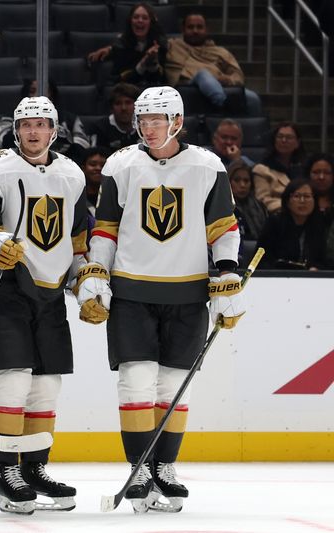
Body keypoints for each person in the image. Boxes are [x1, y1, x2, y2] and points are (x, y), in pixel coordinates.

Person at [77, 86, 243, 513]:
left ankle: (164, 466)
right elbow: (106, 228)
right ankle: (139, 467)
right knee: (135, 379)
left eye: (157, 119)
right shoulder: (121, 163)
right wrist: (96, 272)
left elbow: (223, 226)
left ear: (178, 121)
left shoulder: (207, 165)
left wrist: (227, 273)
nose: (148, 128)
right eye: (143, 120)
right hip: (132, 290)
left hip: (188, 292)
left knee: (173, 385)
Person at [0, 96, 88, 515]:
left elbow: (77, 240)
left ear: (55, 130)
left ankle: (34, 466)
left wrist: (85, 280)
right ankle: (7, 470)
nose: (33, 132)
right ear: (15, 130)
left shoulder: (71, 174)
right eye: (26, 124)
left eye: (42, 124)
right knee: (14, 378)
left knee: (47, 384)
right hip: (4, 285)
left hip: (50, 292)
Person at [165, 13, 261, 116]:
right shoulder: (172, 46)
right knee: (203, 75)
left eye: (200, 27)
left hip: (219, 86)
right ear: (183, 29)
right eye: (190, 27)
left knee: (253, 98)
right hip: (187, 85)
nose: (195, 31)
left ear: (207, 30)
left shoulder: (220, 52)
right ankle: (225, 107)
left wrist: (227, 79)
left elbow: (238, 76)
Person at [0, 79, 90, 164]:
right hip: (18, 162)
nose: (38, 94)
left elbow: (82, 146)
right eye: (33, 91)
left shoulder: (69, 118)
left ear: (52, 93)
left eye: (44, 90)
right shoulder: (11, 116)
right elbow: (2, 141)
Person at [257, 179, 328, 270]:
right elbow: (261, 260)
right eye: (297, 196)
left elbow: (324, 261)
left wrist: (317, 269)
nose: (302, 201)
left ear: (315, 201)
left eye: (307, 196)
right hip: (278, 277)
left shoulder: (320, 225)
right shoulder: (274, 223)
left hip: (311, 279)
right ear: (287, 201)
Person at [252, 122, 306, 214]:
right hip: (276, 215)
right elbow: (262, 199)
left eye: (289, 137)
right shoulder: (261, 169)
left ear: (297, 143)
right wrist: (291, 206)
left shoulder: (303, 168)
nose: (284, 140)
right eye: (280, 137)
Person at [86, 83, 140, 151]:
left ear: (137, 106)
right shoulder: (100, 128)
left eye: (128, 102)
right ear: (111, 108)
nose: (123, 108)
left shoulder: (146, 126)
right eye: (118, 103)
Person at [228, 159, 267, 241]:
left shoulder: (260, 206)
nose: (242, 185)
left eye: (246, 181)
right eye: (237, 180)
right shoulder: (222, 208)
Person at [82, 147, 110, 219]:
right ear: (83, 168)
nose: (98, 168)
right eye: (93, 164)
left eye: (103, 165)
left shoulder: (114, 196)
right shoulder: (77, 195)